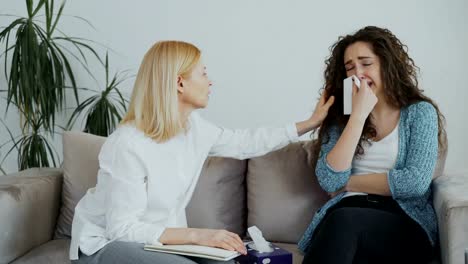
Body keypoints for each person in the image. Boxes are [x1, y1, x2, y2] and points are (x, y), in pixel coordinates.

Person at [69, 40, 335, 264]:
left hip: (158, 245)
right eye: (203, 73)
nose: (210, 82)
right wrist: (199, 236)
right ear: (179, 83)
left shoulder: (193, 129)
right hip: (104, 245)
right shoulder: (127, 144)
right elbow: (122, 229)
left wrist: (309, 124)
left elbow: (246, 142)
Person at [298, 26, 447, 264]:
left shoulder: (420, 113)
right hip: (346, 216)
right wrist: (357, 116)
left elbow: (416, 182)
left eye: (366, 63)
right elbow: (327, 180)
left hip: (402, 221)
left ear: (387, 65)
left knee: (344, 222)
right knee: (342, 224)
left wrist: (346, 183)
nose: (358, 73)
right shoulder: (340, 121)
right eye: (349, 67)